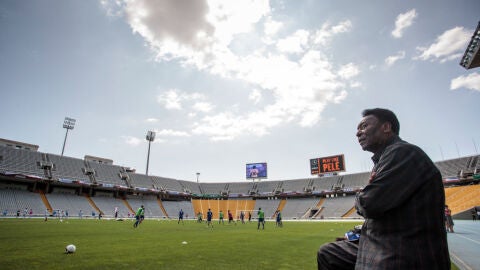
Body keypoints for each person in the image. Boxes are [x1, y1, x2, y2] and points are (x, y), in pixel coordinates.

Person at [317, 108, 450, 270]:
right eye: (358, 129)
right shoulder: (387, 157)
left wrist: (361, 194)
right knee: (329, 253)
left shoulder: (402, 152)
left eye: (364, 126)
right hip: (390, 242)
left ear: (386, 127)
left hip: (406, 252)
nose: (358, 133)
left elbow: (369, 204)